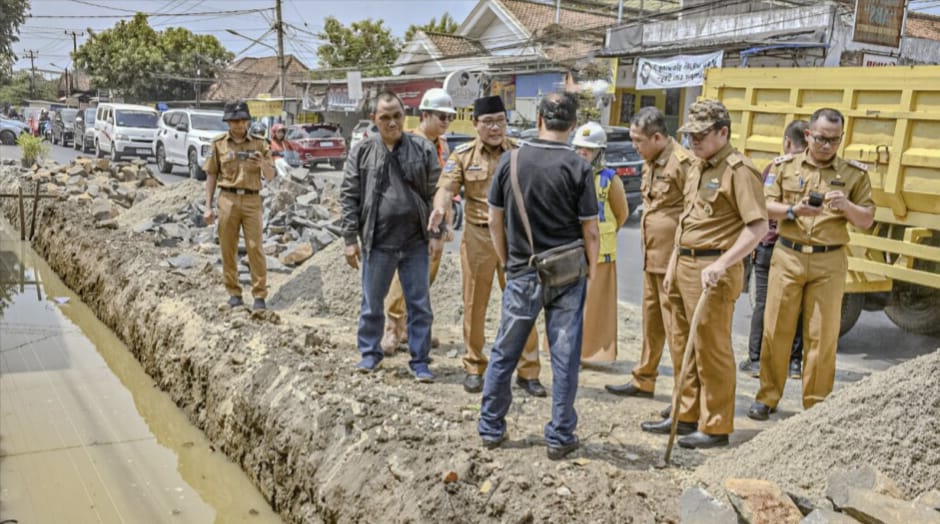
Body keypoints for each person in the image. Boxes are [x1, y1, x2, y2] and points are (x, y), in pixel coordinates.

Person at [639, 99, 768, 449]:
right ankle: (685, 413)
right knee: (683, 346)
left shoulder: (739, 171)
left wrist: (723, 263)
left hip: (712, 269)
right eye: (690, 135)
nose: (694, 141)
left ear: (722, 132)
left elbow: (757, 226)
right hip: (683, 264)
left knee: (711, 350)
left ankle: (715, 425)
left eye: (701, 134)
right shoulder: (697, 166)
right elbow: (686, 219)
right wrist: (671, 266)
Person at [477, 92, 599, 460]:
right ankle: (560, 435)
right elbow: (590, 230)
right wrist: (589, 272)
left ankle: (491, 426)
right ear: (573, 126)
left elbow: (494, 220)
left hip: (521, 271)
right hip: (567, 275)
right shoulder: (580, 168)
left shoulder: (511, 162)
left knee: (505, 350)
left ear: (540, 120)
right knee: (564, 356)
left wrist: (507, 260)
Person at [748, 108, 874, 420]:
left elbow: (867, 220)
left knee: (822, 335)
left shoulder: (854, 175)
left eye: (834, 140)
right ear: (808, 135)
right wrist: (793, 210)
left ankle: (815, 405)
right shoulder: (784, 166)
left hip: (828, 261)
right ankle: (767, 396)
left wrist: (846, 206)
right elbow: (763, 205)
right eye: (820, 138)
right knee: (776, 328)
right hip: (788, 255)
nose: (827, 145)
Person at [429, 95, 546, 397]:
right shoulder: (463, 155)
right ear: (475, 124)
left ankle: (528, 371)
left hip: (516, 239)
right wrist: (440, 209)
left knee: (523, 305)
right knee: (474, 304)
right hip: (478, 236)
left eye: (500, 121)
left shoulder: (521, 153)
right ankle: (474, 366)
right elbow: (445, 187)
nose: (495, 128)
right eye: (488, 122)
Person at [341, 90, 442, 382]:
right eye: (385, 117)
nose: (392, 122)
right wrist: (350, 239)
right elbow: (348, 195)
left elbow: (438, 192)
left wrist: (437, 231)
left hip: (415, 243)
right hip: (378, 242)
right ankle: (369, 355)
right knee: (372, 303)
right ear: (374, 119)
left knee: (419, 305)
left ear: (404, 116)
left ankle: (420, 361)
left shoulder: (422, 149)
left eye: (397, 116)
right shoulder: (362, 152)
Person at [606, 107, 692, 401]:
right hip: (652, 259)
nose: (634, 146)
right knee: (651, 324)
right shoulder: (651, 161)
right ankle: (644, 379)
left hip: (673, 263)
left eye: (638, 140)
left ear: (657, 137)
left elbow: (691, 216)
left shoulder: (683, 164)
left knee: (676, 332)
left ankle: (684, 397)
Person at [381, 88, 457, 355]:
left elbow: (444, 186)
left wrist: (444, 222)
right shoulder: (408, 143)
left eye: (449, 116)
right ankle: (392, 327)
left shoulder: (441, 145)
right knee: (404, 278)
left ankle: (413, 328)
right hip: (411, 224)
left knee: (425, 279)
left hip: (435, 224)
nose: (446, 121)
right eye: (441, 116)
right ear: (424, 114)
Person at [739, 120, 808, 379]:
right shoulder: (817, 171)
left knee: (763, 303)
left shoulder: (776, 167)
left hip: (769, 244)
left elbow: (761, 206)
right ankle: (793, 364)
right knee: (797, 305)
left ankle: (756, 359)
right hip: (799, 247)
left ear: (788, 142)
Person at [202, 101, 275, 311]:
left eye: (242, 120)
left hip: (252, 199)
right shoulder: (218, 144)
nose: (239, 125)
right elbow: (212, 174)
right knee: (228, 247)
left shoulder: (261, 144)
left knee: (255, 247)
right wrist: (208, 207)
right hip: (227, 199)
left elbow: (271, 176)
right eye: (234, 121)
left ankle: (259, 295)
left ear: (248, 121)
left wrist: (262, 163)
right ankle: (234, 292)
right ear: (228, 122)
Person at [570, 122, 629, 362]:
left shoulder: (609, 180)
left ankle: (590, 353)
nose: (583, 153)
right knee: (569, 305)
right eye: (579, 148)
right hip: (571, 251)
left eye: (588, 149)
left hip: (600, 254)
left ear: (599, 152)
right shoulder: (568, 174)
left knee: (595, 306)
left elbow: (621, 214)